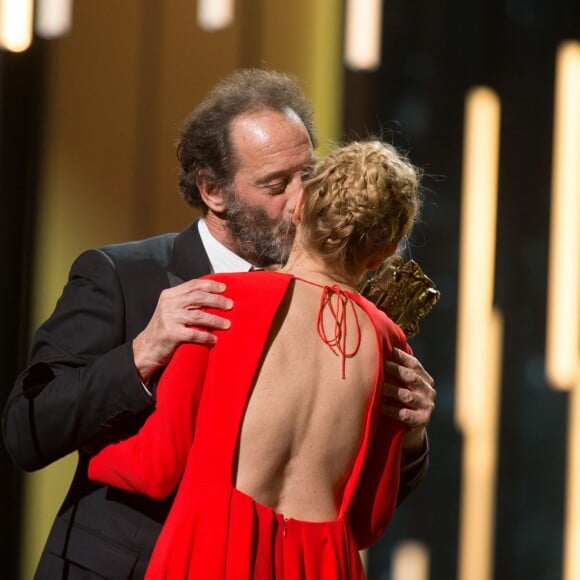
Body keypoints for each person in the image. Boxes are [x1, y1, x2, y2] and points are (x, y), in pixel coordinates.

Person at [2, 69, 435, 579]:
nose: (299, 200)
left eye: (309, 175)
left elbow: (351, 494)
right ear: (213, 191)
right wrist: (141, 353)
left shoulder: (350, 319)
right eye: (275, 184)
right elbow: (26, 432)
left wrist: (410, 434)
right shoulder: (120, 275)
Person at [88, 139, 423, 579]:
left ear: (300, 206)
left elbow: (158, 466)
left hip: (216, 550)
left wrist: (91, 453)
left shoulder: (220, 299)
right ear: (383, 253)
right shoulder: (389, 342)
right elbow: (367, 522)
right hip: (325, 565)